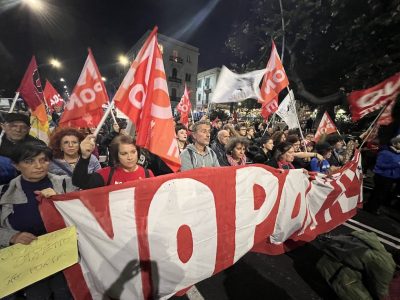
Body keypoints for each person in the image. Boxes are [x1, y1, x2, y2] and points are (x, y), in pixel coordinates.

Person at [0, 141, 76, 299]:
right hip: (25, 264)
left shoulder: (66, 184)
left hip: (65, 258)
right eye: (29, 161)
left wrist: (61, 200)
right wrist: (12, 236)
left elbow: (87, 213)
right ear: (16, 165)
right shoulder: (4, 193)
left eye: (44, 160)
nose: (39, 166)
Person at [72, 134, 154, 189]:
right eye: (124, 153)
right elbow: (79, 181)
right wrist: (85, 157)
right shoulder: (107, 174)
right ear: (116, 155)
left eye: (133, 152)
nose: (130, 157)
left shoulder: (148, 174)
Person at [364, 135, 400, 214]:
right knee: (378, 193)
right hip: (382, 176)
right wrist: (396, 165)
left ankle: (372, 207)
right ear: (394, 143)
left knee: (382, 194)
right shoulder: (385, 152)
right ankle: (372, 208)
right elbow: (380, 164)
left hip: (391, 177)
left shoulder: (398, 153)